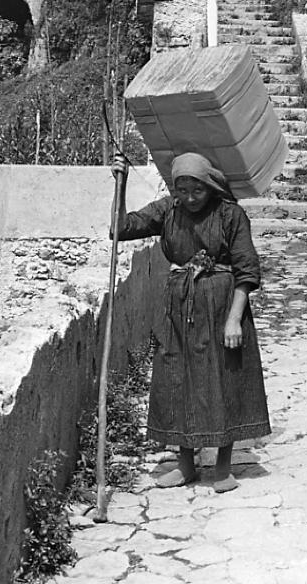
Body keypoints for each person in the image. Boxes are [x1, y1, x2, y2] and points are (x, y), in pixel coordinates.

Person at [110, 150, 271, 492]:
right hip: (179, 305)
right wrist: (120, 184)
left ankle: (223, 467)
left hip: (221, 304)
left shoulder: (230, 215)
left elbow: (247, 271)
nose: (190, 198)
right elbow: (120, 229)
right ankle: (185, 465)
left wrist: (234, 320)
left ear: (210, 185)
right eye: (182, 190)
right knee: (177, 377)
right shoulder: (168, 210)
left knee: (222, 377)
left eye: (197, 190)